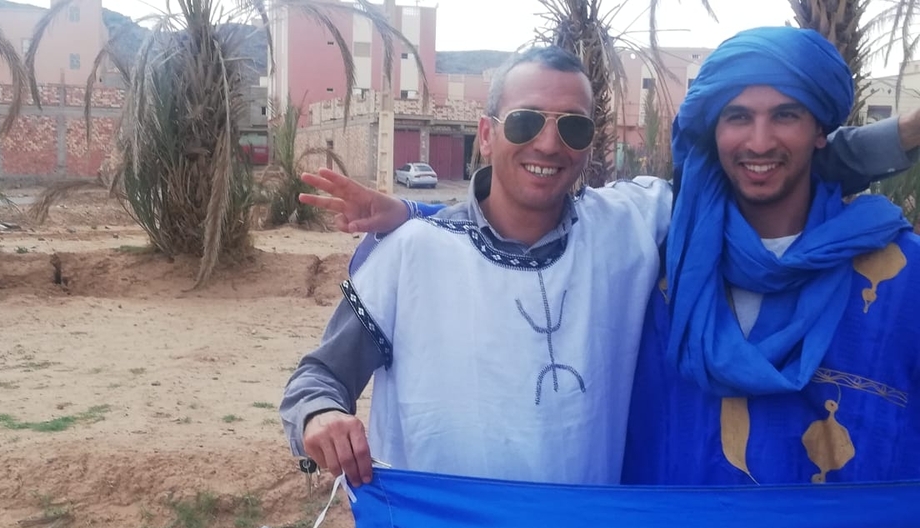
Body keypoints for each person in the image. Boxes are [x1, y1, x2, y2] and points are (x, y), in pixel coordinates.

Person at [281, 46, 673, 488]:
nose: (548, 144)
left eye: (574, 127)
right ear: (486, 135)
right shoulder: (411, 254)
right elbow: (319, 377)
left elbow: (725, 192)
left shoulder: (629, 228)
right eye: (526, 121)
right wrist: (321, 416)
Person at [622, 26, 920, 486]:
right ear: (713, 130)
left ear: (820, 129)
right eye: (738, 117)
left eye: (785, 115)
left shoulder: (902, 273)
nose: (759, 142)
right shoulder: (654, 252)